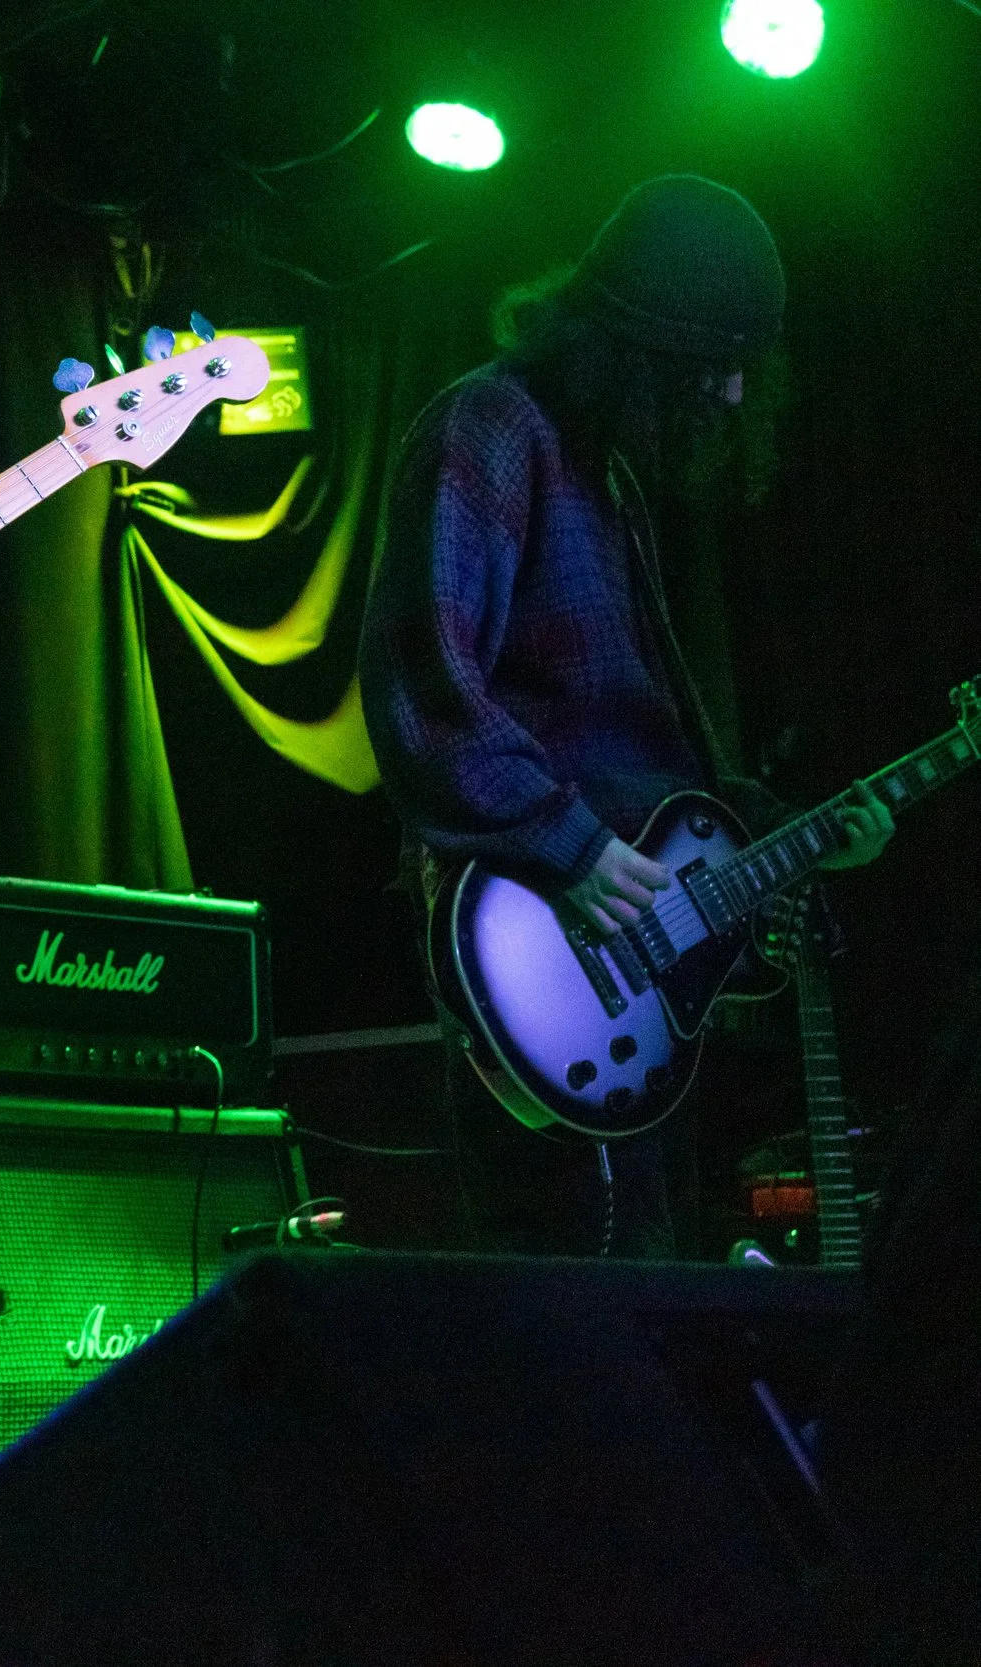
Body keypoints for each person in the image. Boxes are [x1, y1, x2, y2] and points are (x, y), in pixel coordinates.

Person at [360, 174, 892, 1258]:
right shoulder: (491, 426)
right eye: (713, 370)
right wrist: (572, 847)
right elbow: (423, 685)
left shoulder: (605, 480)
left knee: (647, 1286)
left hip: (634, 973)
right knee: (584, 1300)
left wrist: (801, 825)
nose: (735, 398)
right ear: (638, 350)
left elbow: (651, 767)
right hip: (547, 941)